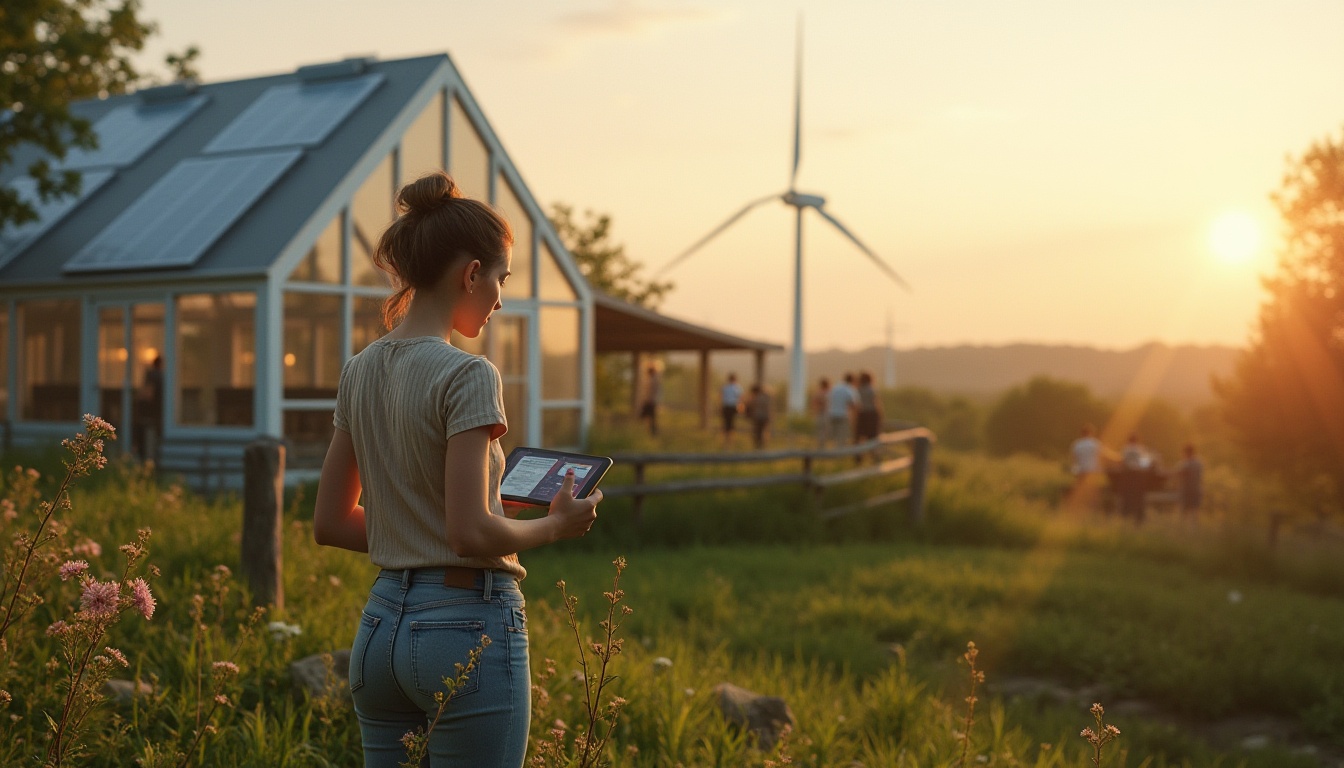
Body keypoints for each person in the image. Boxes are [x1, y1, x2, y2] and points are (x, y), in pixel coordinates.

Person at [312, 172, 601, 768]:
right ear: (471, 272)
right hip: (465, 626)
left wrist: (426, 526)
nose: (499, 298)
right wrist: (554, 526)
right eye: (500, 279)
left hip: (379, 631)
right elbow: (469, 534)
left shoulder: (358, 370)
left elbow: (332, 522)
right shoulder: (470, 375)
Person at [136, 355, 164, 464]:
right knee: (150, 448)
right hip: (152, 418)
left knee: (148, 449)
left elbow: (147, 394)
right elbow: (148, 394)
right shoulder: (157, 377)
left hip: (149, 418)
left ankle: (148, 467)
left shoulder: (153, 376)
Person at [822, 372, 858, 449]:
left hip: (831, 413)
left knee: (831, 434)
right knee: (841, 435)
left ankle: (824, 449)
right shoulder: (850, 389)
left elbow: (828, 399)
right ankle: (839, 452)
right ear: (852, 380)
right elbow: (852, 403)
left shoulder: (835, 387)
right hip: (843, 415)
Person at [852, 371, 882, 461]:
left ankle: (858, 457)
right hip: (872, 414)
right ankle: (875, 456)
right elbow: (876, 403)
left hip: (862, 414)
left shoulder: (857, 390)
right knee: (873, 436)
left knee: (859, 437)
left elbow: (856, 405)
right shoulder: (872, 389)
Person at [1175, 443, 1204, 521]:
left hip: (1187, 491)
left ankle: (1184, 529)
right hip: (1196, 489)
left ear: (1186, 452)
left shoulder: (1186, 463)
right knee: (1194, 511)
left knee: (1185, 512)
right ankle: (1192, 530)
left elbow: (1179, 472)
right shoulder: (1199, 462)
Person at [719, 373, 743, 446]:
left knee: (726, 423)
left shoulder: (725, 387)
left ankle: (725, 440)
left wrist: (721, 407)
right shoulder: (737, 388)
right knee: (732, 424)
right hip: (733, 407)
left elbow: (721, 398)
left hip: (726, 407)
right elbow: (740, 399)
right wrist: (740, 408)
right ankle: (731, 441)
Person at [746, 382, 772, 449]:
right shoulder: (767, 396)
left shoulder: (755, 397)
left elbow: (751, 406)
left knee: (757, 432)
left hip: (757, 417)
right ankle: (764, 446)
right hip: (766, 417)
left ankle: (757, 446)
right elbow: (769, 407)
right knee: (764, 432)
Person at [639, 365, 661, 437]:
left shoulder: (652, 380)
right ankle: (652, 432)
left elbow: (651, 391)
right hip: (651, 401)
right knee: (650, 417)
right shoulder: (654, 379)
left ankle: (652, 433)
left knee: (646, 416)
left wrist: (647, 399)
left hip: (650, 401)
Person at [811, 377, 831, 446]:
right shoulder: (828, 393)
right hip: (825, 413)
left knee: (820, 429)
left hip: (819, 413)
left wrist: (815, 411)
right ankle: (822, 444)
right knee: (824, 430)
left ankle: (820, 443)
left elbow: (814, 403)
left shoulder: (818, 393)